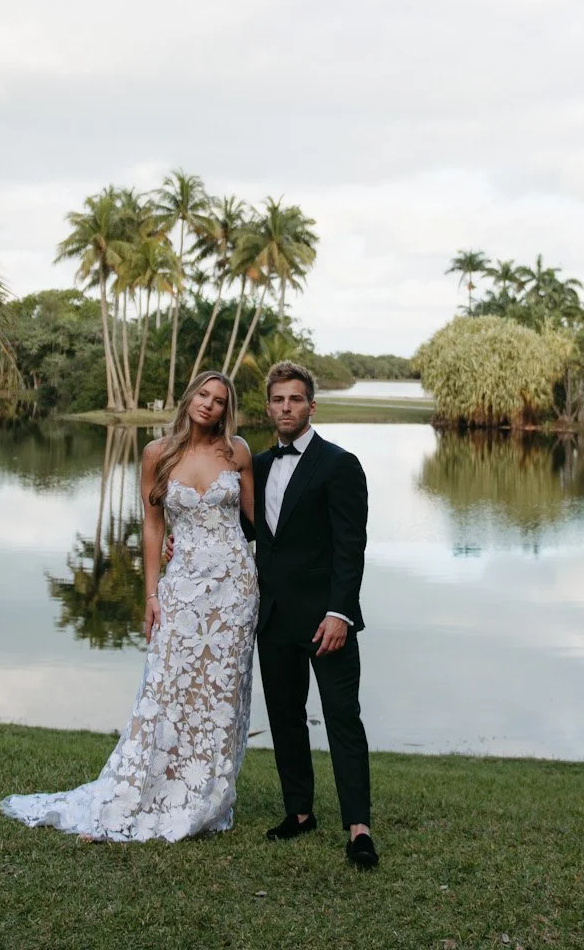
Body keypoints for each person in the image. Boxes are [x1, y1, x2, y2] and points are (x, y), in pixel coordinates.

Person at [0, 372, 258, 841]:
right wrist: (152, 595)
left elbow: (254, 522)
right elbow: (154, 527)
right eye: (203, 395)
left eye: (219, 401)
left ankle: (206, 795)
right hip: (180, 591)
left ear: (227, 409)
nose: (209, 405)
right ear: (189, 398)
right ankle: (148, 788)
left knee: (219, 695)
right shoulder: (157, 455)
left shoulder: (236, 451)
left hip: (234, 591)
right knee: (167, 687)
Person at [250, 360, 377, 869]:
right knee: (285, 717)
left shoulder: (340, 464)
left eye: (295, 399)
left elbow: (352, 546)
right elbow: (247, 535)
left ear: (310, 406)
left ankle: (359, 828)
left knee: (343, 718)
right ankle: (299, 812)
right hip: (274, 617)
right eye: (278, 400)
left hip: (327, 621)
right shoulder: (255, 466)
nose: (286, 407)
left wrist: (340, 614)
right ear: (268, 406)